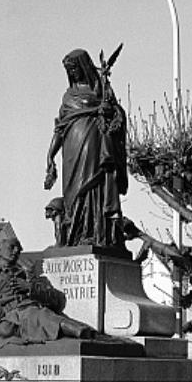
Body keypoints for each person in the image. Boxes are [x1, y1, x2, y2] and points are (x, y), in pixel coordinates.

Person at [45, 48, 128, 249]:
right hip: (71, 149)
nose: (72, 73)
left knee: (92, 188)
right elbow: (60, 127)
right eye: (69, 70)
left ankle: (94, 234)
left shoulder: (100, 89)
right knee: (73, 194)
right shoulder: (68, 96)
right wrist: (50, 156)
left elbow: (118, 116)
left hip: (94, 145)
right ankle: (74, 236)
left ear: (83, 66)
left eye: (74, 68)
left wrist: (109, 111)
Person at [0, 235, 95, 344]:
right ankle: (79, 333)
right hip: (5, 319)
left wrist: (30, 288)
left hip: (31, 312)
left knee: (44, 316)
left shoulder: (28, 274)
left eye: (19, 248)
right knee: (25, 321)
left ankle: (85, 333)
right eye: (12, 247)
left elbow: (59, 301)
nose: (17, 251)